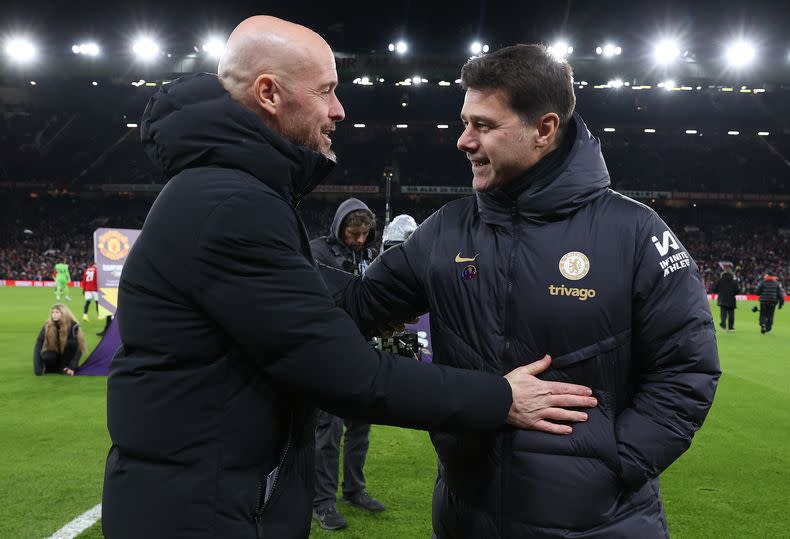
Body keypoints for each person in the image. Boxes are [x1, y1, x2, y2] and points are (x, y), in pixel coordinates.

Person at [101, 19, 598, 539]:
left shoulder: (224, 191)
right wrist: (501, 398)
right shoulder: (232, 203)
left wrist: (391, 292)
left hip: (196, 496)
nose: (338, 110)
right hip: (202, 513)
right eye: (326, 91)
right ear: (269, 93)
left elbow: (294, 291)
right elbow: (352, 377)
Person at [335, 44, 721, 538]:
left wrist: (614, 467)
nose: (463, 141)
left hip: (598, 525)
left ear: (545, 129)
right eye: (464, 121)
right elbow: (355, 306)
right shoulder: (445, 231)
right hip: (464, 519)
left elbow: (688, 369)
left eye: (484, 125)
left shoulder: (635, 233)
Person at [309, 199, 384, 530]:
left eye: (364, 235)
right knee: (328, 430)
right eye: (353, 234)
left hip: (361, 352)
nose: (358, 240)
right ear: (339, 227)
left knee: (361, 427)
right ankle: (322, 502)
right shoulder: (317, 253)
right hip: (328, 354)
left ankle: (354, 490)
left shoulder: (368, 254)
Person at [33, 303, 86, 376]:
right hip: (55, 354)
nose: (54, 314)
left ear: (64, 313)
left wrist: (72, 367)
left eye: (57, 312)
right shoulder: (47, 325)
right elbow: (38, 345)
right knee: (47, 356)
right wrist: (37, 367)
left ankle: (65, 367)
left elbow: (79, 349)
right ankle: (56, 367)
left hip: (68, 356)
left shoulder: (73, 326)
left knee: (72, 343)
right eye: (52, 312)